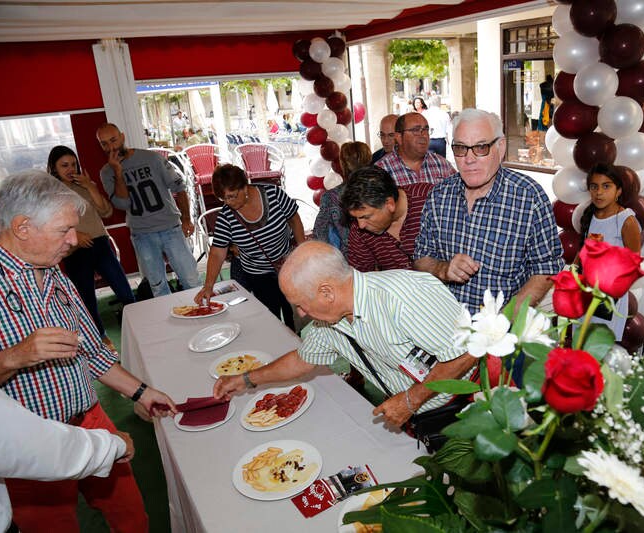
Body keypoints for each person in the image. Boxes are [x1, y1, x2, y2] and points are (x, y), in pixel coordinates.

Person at [0, 171, 177, 531]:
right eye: (64, 231)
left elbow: (93, 352)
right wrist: (12, 357)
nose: (74, 240)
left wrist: (144, 392)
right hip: (31, 442)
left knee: (133, 517)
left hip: (90, 420)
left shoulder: (55, 271)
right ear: (23, 227)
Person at [212, 241, 476, 429]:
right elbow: (303, 360)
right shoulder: (329, 321)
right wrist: (246, 379)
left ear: (327, 293)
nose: (301, 314)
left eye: (301, 303)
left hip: (462, 411)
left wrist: (411, 400)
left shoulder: (404, 297)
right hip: (416, 413)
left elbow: (466, 352)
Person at [414, 108, 564, 314]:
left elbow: (546, 267)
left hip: (503, 333)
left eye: (481, 147)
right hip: (445, 326)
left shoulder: (528, 197)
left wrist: (503, 323)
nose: (469, 159)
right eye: (460, 148)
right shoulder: (439, 195)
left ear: (500, 148)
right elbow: (421, 257)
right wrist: (444, 269)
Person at [0, 379, 134, 533]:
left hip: (82, 422)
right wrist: (116, 446)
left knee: (128, 511)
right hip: (55, 443)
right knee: (52, 523)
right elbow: (36, 447)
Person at [97, 122, 200, 298]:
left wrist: (186, 219)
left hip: (170, 228)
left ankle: (204, 316)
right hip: (142, 234)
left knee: (191, 280)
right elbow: (122, 204)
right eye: (104, 143)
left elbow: (179, 187)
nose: (110, 147)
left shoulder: (151, 158)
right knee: (158, 287)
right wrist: (118, 172)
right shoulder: (107, 172)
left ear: (122, 137)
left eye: (113, 140)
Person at [194, 164, 304, 329]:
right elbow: (217, 252)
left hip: (288, 265)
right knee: (270, 317)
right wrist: (208, 285)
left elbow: (294, 219)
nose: (229, 202)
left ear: (244, 186)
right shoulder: (226, 216)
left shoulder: (273, 194)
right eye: (224, 199)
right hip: (258, 273)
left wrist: (303, 251)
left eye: (232, 196)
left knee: (294, 315)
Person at [46, 146, 135, 348]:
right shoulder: (50, 193)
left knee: (124, 290)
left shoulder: (84, 185)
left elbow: (106, 212)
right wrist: (74, 234)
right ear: (53, 167)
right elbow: (48, 224)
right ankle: (102, 342)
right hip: (75, 251)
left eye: (73, 164)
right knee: (87, 300)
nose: (70, 169)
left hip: (100, 243)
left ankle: (141, 328)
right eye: (64, 165)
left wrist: (90, 186)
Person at [577, 163, 642, 340]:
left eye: (606, 186)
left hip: (608, 297)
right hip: (586, 291)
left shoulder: (626, 220)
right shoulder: (591, 214)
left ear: (618, 190)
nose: (599, 192)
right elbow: (582, 252)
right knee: (580, 342)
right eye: (594, 186)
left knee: (599, 347)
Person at [342, 166, 432, 272]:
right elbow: (360, 279)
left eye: (366, 217)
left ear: (390, 204)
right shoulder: (359, 231)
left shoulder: (431, 200)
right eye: (356, 218)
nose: (361, 225)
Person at [313, 141, 372, 256]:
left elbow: (320, 234)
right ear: (369, 161)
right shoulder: (381, 191)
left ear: (342, 165)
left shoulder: (331, 197)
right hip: (383, 259)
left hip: (347, 262)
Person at [376, 113, 455, 186]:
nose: (423, 135)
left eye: (426, 130)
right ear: (399, 138)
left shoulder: (442, 164)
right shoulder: (381, 170)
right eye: (416, 130)